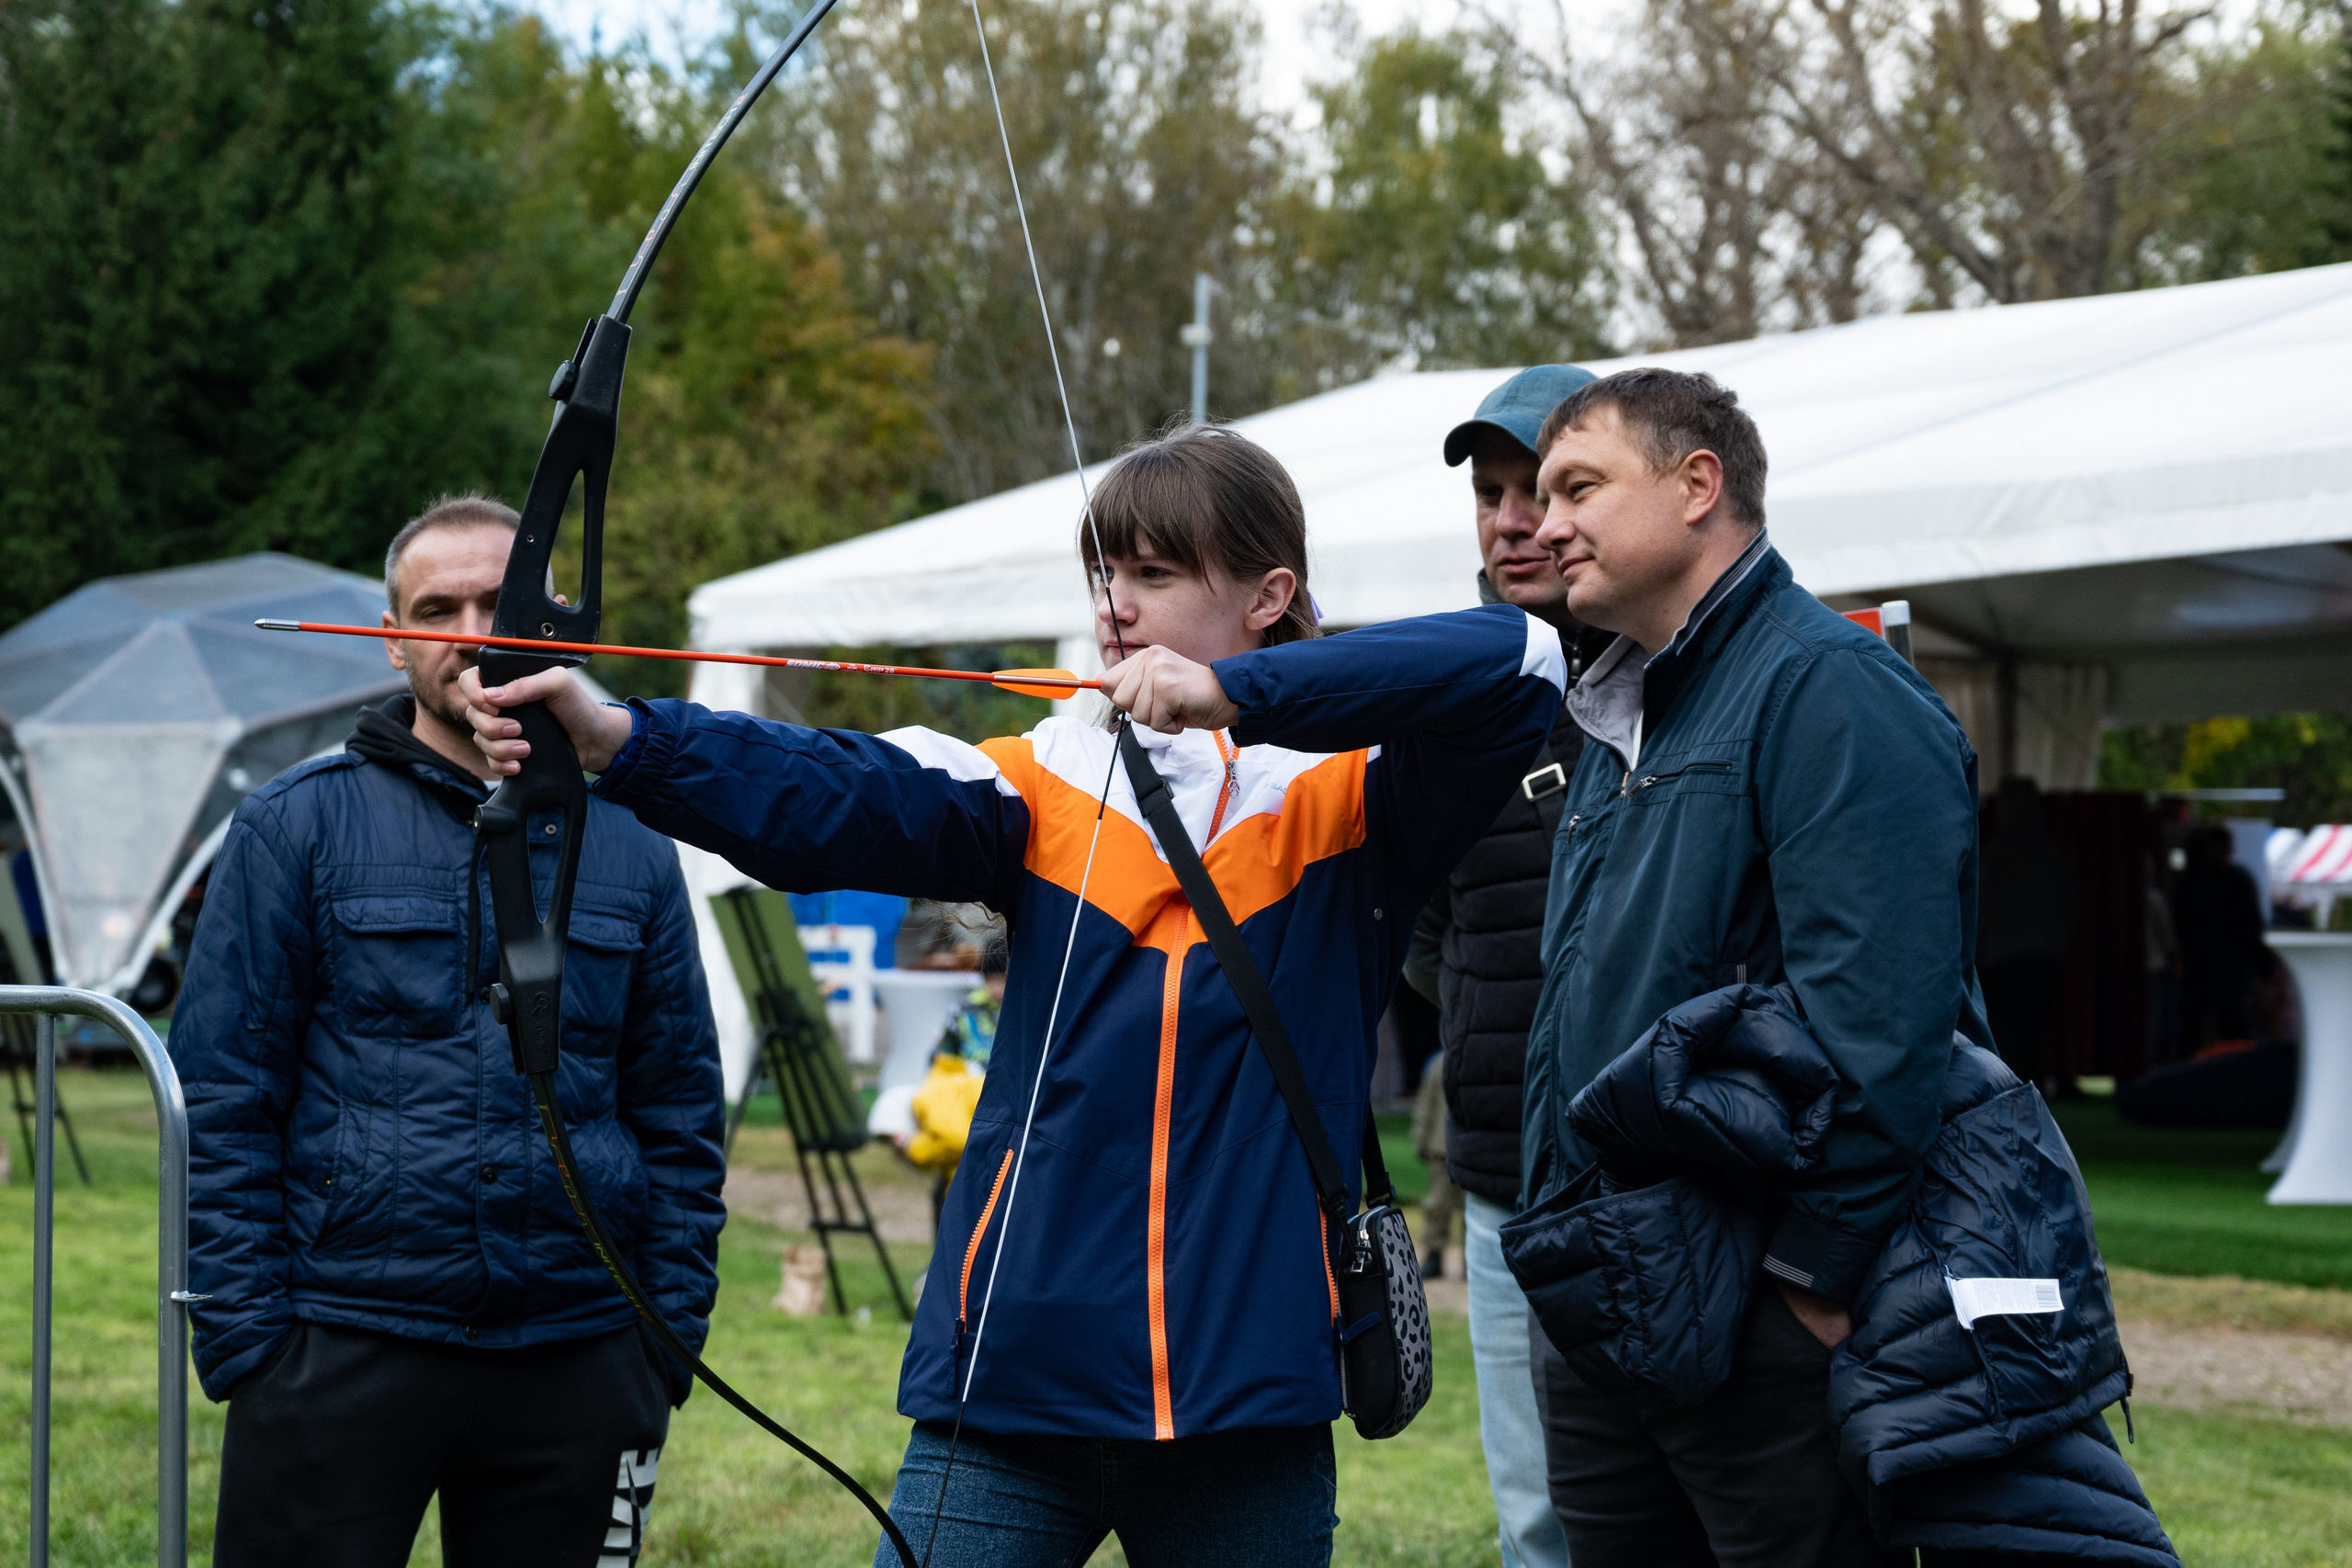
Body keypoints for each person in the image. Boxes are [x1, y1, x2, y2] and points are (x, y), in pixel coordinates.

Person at [459, 424, 1567, 1566]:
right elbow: (837, 789)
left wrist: (1235, 693)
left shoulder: (1357, 798)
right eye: (1104, 575)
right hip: (1013, 1378)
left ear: (1267, 593)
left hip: (1250, 1391)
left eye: (1154, 573)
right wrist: (622, 739)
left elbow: (1522, 655)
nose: (1115, 608)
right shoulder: (1041, 777)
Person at [171, 494, 727, 1568]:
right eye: (439, 606)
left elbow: (680, 1108)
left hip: (581, 1347)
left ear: (556, 620)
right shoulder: (295, 825)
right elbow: (223, 1097)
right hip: (340, 1341)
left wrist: (661, 1338)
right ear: (392, 639)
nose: (474, 630)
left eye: (500, 600)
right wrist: (252, 1343)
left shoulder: (634, 846)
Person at [1520, 369, 1984, 1567]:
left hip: (1753, 1303)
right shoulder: (1618, 707)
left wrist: (1811, 1277)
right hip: (1602, 1290)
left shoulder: (1828, 684)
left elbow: (1889, 1015)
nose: (1542, 519)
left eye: (1578, 485)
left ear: (1696, 485)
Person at [1401, 363, 1599, 1568]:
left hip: (1672, 1179)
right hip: (1506, 1170)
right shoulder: (1446, 692)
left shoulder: (1682, 674)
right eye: (1491, 490)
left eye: (1543, 486)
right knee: (1537, 1515)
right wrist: (1493, 1020)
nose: (1512, 517)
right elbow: (1423, 934)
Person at [2172, 823, 2267, 1051]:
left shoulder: (2190, 882)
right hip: (2227, 968)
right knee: (2232, 1027)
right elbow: (2252, 926)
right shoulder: (2234, 880)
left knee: (2196, 1028)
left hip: (2204, 966)